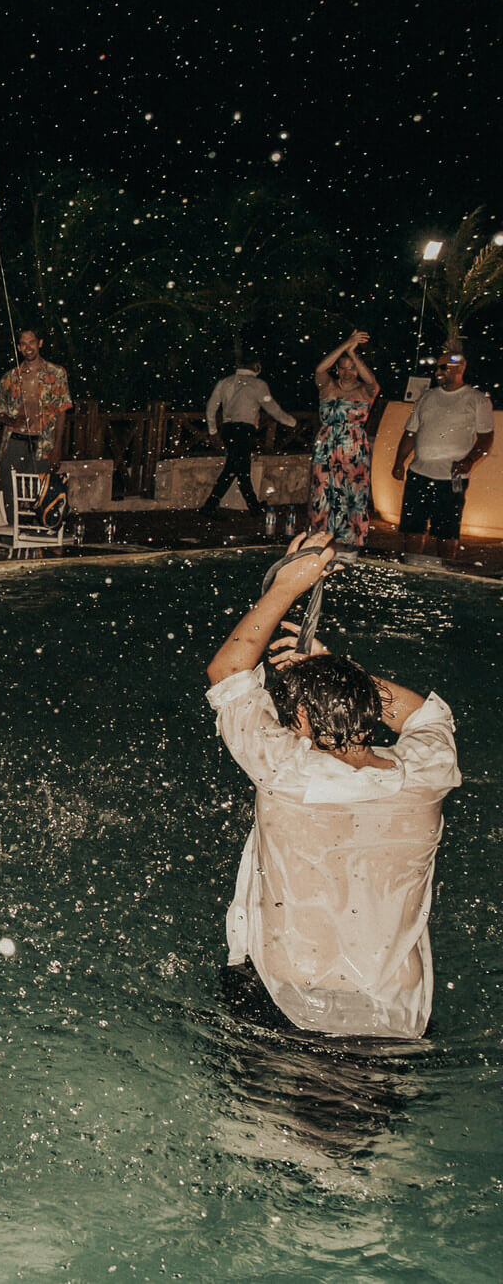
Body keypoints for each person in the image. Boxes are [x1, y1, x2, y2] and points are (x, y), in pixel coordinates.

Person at [205, 532, 460, 1039]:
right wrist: (342, 675)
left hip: (287, 1005)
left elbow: (228, 671)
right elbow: (425, 715)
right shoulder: (428, 774)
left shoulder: (287, 773)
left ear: (299, 715)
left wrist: (285, 589)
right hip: (393, 1020)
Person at [393, 353, 492, 565]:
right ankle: (411, 569)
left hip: (451, 479)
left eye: (443, 368)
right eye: (437, 368)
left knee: (447, 531)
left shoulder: (477, 400)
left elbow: (485, 438)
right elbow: (411, 432)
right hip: (419, 474)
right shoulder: (427, 397)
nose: (438, 372)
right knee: (413, 527)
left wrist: (470, 460)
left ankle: (445, 572)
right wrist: (399, 461)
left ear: (460, 368)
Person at [307, 330, 380, 548]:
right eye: (343, 367)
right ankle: (321, 541)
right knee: (322, 493)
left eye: (352, 368)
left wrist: (353, 354)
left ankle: (352, 543)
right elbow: (320, 368)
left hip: (354, 447)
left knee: (353, 495)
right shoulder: (327, 386)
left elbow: (372, 380)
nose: (348, 372)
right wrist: (346, 344)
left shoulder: (367, 391)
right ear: (337, 369)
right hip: (326, 446)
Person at [201, 356, 298, 518]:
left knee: (233, 468)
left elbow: (211, 408)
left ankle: (212, 504)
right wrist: (292, 422)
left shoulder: (225, 382)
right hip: (244, 430)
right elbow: (272, 408)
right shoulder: (258, 385)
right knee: (241, 469)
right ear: (255, 365)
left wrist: (213, 431)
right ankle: (252, 507)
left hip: (228, 429)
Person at [0, 328, 71, 479]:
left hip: (43, 444)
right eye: (23, 344)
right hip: (14, 441)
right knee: (11, 495)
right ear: (19, 348)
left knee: (39, 496)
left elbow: (62, 411)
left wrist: (57, 448)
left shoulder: (56, 373)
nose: (28, 348)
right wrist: (13, 421)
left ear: (40, 343)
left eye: (31, 343)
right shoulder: (9, 377)